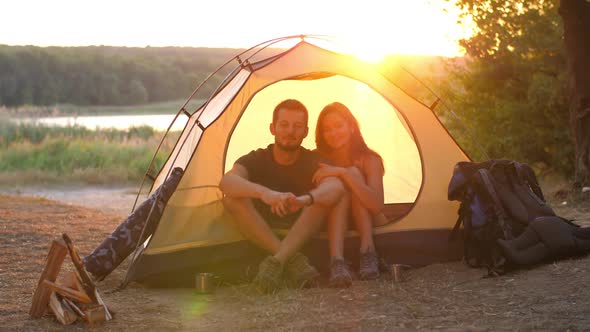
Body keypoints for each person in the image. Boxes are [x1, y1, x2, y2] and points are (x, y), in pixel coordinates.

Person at [219, 99, 345, 293]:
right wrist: (265, 194)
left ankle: (277, 260)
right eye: (284, 125)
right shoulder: (257, 158)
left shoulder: (313, 160)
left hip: (301, 229)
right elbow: (226, 182)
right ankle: (292, 259)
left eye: (297, 126)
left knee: (322, 198)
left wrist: (305, 199)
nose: (290, 132)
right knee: (231, 198)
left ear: (305, 132)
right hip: (264, 228)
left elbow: (336, 187)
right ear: (272, 128)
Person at [312, 102, 387, 287]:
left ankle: (368, 251)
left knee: (353, 175)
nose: (334, 133)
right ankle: (336, 261)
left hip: (368, 216)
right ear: (321, 135)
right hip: (334, 218)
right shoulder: (318, 159)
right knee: (341, 188)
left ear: (351, 126)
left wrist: (344, 173)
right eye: (327, 129)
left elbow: (377, 206)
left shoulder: (370, 159)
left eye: (339, 125)